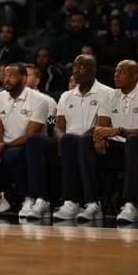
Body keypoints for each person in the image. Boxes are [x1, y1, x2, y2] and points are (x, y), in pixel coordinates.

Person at [25, 54, 113, 220]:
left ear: (93, 70)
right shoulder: (66, 96)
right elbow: (59, 127)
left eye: (81, 66)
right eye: (74, 67)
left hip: (92, 144)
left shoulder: (107, 93)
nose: (76, 70)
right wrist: (61, 140)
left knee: (73, 141)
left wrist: (70, 141)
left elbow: (102, 125)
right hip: (66, 144)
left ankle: (72, 202)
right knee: (35, 140)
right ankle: (41, 200)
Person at [77, 60, 138, 223]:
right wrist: (99, 136)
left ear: (135, 76)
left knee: (133, 140)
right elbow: (101, 126)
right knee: (85, 141)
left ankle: (130, 205)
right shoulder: (109, 96)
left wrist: (119, 130)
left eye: (122, 72)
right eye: (116, 72)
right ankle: (92, 203)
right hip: (115, 149)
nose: (116, 75)